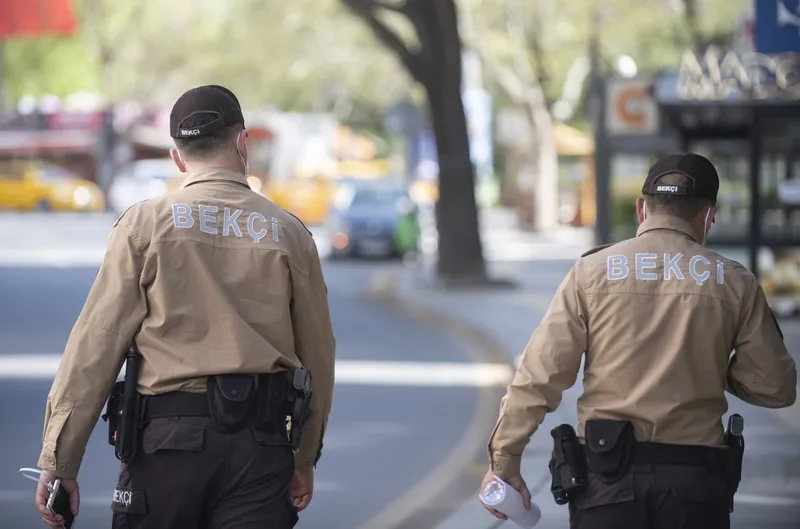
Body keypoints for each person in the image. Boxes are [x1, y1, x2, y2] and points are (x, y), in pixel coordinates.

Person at [35, 85, 336, 529]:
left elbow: (95, 346)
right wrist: (304, 457)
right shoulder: (290, 234)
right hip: (260, 449)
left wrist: (60, 462)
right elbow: (318, 356)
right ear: (241, 142)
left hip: (165, 449)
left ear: (178, 157)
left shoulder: (144, 225)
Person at [479, 153, 797, 529]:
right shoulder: (734, 282)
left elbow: (539, 376)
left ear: (642, 208)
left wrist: (505, 463)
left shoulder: (591, 272)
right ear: (709, 214)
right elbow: (777, 388)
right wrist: (710, 363)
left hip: (606, 483)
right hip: (695, 486)